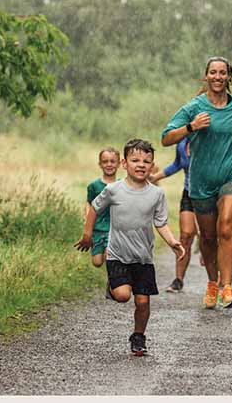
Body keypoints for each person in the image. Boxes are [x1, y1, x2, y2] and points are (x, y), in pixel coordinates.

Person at [161, 56, 232, 308]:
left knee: (226, 227)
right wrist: (191, 127)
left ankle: (227, 287)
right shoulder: (194, 107)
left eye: (222, 72)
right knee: (207, 237)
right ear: (206, 76)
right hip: (201, 180)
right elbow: (166, 138)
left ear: (229, 77)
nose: (217, 77)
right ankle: (212, 283)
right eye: (212, 72)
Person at [74, 139, 185, 355]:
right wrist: (87, 235)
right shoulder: (113, 190)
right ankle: (113, 286)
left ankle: (138, 336)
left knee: (143, 302)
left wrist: (172, 242)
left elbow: (160, 222)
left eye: (146, 161)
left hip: (143, 258)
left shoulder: (156, 194)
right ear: (124, 163)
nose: (141, 165)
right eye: (135, 160)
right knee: (124, 295)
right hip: (117, 255)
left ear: (152, 166)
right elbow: (94, 209)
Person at [149, 136, 199, 293]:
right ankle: (178, 280)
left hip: (209, 194)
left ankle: (218, 282)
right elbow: (178, 164)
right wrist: (155, 177)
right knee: (185, 235)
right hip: (189, 193)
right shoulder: (182, 143)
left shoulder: (209, 139)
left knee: (208, 237)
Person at [85, 147, 120, 267]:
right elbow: (89, 203)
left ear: (119, 163)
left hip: (114, 230)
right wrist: (87, 224)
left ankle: (113, 282)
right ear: (100, 164)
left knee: (110, 257)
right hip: (98, 229)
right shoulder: (94, 186)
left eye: (112, 161)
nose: (109, 164)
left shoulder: (122, 185)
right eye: (105, 162)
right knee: (97, 262)